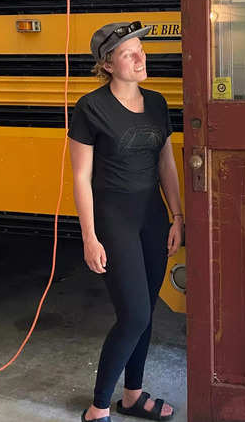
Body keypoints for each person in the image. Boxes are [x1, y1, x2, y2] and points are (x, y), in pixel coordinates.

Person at [68, 21, 183, 422]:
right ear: (107, 64)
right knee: (133, 314)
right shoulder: (90, 108)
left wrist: (177, 215)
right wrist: (89, 237)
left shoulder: (156, 103)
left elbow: (166, 161)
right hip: (113, 219)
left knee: (147, 311)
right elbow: (81, 177)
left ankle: (132, 396)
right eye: (128, 54)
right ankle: (98, 409)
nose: (140, 58)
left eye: (141, 50)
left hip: (152, 216)